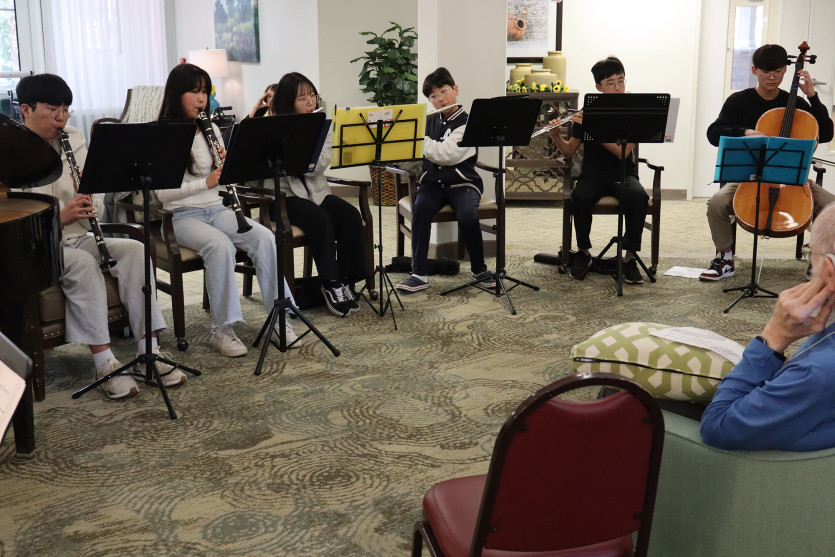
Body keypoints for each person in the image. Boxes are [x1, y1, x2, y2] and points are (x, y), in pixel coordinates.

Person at [14, 73, 186, 399]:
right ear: (26, 109)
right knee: (80, 262)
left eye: (66, 109)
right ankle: (104, 363)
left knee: (135, 250)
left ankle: (148, 353)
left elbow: (96, 192)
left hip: (81, 235)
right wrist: (60, 218)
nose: (62, 118)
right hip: (39, 245)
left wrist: (92, 202)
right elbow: (15, 217)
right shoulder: (12, 151)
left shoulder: (74, 139)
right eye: (53, 110)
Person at [155, 63, 297, 357]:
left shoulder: (211, 130)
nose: (201, 99)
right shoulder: (163, 135)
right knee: (220, 246)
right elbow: (161, 195)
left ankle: (278, 316)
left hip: (217, 210)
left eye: (204, 92)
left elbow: (225, 178)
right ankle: (222, 329)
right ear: (176, 94)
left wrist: (230, 165)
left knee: (264, 237)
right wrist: (206, 182)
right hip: (180, 216)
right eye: (194, 92)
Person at [700, 202, 835, 451]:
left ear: (830, 270)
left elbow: (718, 426)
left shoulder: (818, 372)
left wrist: (774, 336)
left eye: (811, 254)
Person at [701, 43, 835, 282]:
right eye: (765, 72)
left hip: (793, 179)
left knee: (832, 208)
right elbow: (714, 132)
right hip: (749, 178)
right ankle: (725, 258)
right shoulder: (739, 101)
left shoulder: (797, 104)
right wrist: (744, 132)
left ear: (786, 70)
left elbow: (825, 134)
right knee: (716, 204)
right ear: (754, 70)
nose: (772, 77)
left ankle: (818, 260)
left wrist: (812, 96)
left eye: (778, 71)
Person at [270, 72, 366, 317]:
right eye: (302, 98)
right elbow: (271, 169)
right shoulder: (272, 127)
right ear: (288, 102)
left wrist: (300, 157)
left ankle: (346, 279)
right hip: (284, 198)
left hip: (318, 193)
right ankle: (331, 283)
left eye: (312, 95)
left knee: (350, 215)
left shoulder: (321, 125)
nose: (310, 102)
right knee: (319, 218)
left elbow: (319, 164)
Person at [548, 56, 648, 284]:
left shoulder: (632, 110)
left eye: (621, 81)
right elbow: (569, 151)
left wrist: (593, 129)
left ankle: (630, 258)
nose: (618, 87)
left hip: (623, 174)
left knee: (638, 196)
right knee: (580, 197)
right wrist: (555, 136)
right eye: (610, 83)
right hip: (593, 175)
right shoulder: (588, 111)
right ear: (598, 87)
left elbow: (623, 152)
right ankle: (583, 252)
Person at [395, 67, 495, 293]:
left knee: (468, 216)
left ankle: (479, 269)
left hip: (463, 182)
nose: (440, 99)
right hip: (433, 183)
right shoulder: (428, 120)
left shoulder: (469, 123)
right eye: (433, 96)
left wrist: (418, 138)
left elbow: (446, 155)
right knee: (421, 209)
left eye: (444, 91)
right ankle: (419, 274)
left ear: (455, 90)